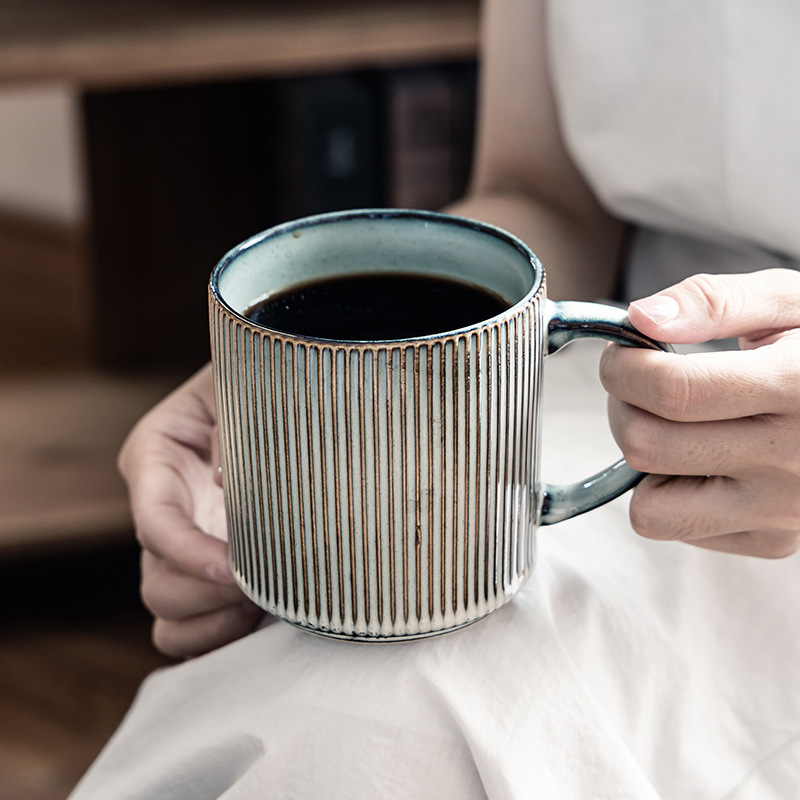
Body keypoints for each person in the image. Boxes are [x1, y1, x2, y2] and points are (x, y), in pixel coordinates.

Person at [71, 0, 800, 796]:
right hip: (619, 400)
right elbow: (538, 199)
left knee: (381, 722)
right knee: (329, 677)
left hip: (744, 515)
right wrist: (272, 391)